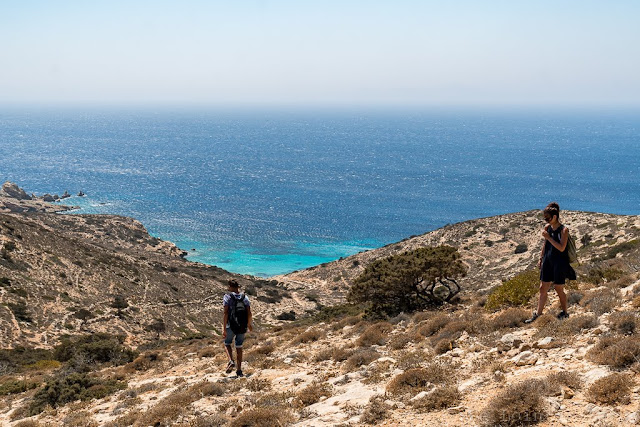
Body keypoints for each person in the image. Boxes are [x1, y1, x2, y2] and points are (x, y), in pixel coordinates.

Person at [525, 202, 576, 324]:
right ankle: (538, 314)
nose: (546, 221)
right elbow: (545, 244)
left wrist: (548, 237)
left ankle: (565, 312)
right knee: (543, 288)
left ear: (555, 217)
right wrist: (541, 258)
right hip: (548, 261)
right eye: (544, 218)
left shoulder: (563, 230)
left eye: (548, 218)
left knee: (558, 288)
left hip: (559, 263)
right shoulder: (547, 228)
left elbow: (562, 247)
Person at [222, 279, 252, 377]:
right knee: (239, 346)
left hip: (231, 325)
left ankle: (230, 360)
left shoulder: (227, 297)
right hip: (242, 325)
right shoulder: (245, 297)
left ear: (230, 287)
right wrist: (249, 324)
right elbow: (249, 312)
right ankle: (239, 370)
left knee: (227, 343)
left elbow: (225, 313)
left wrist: (224, 328)